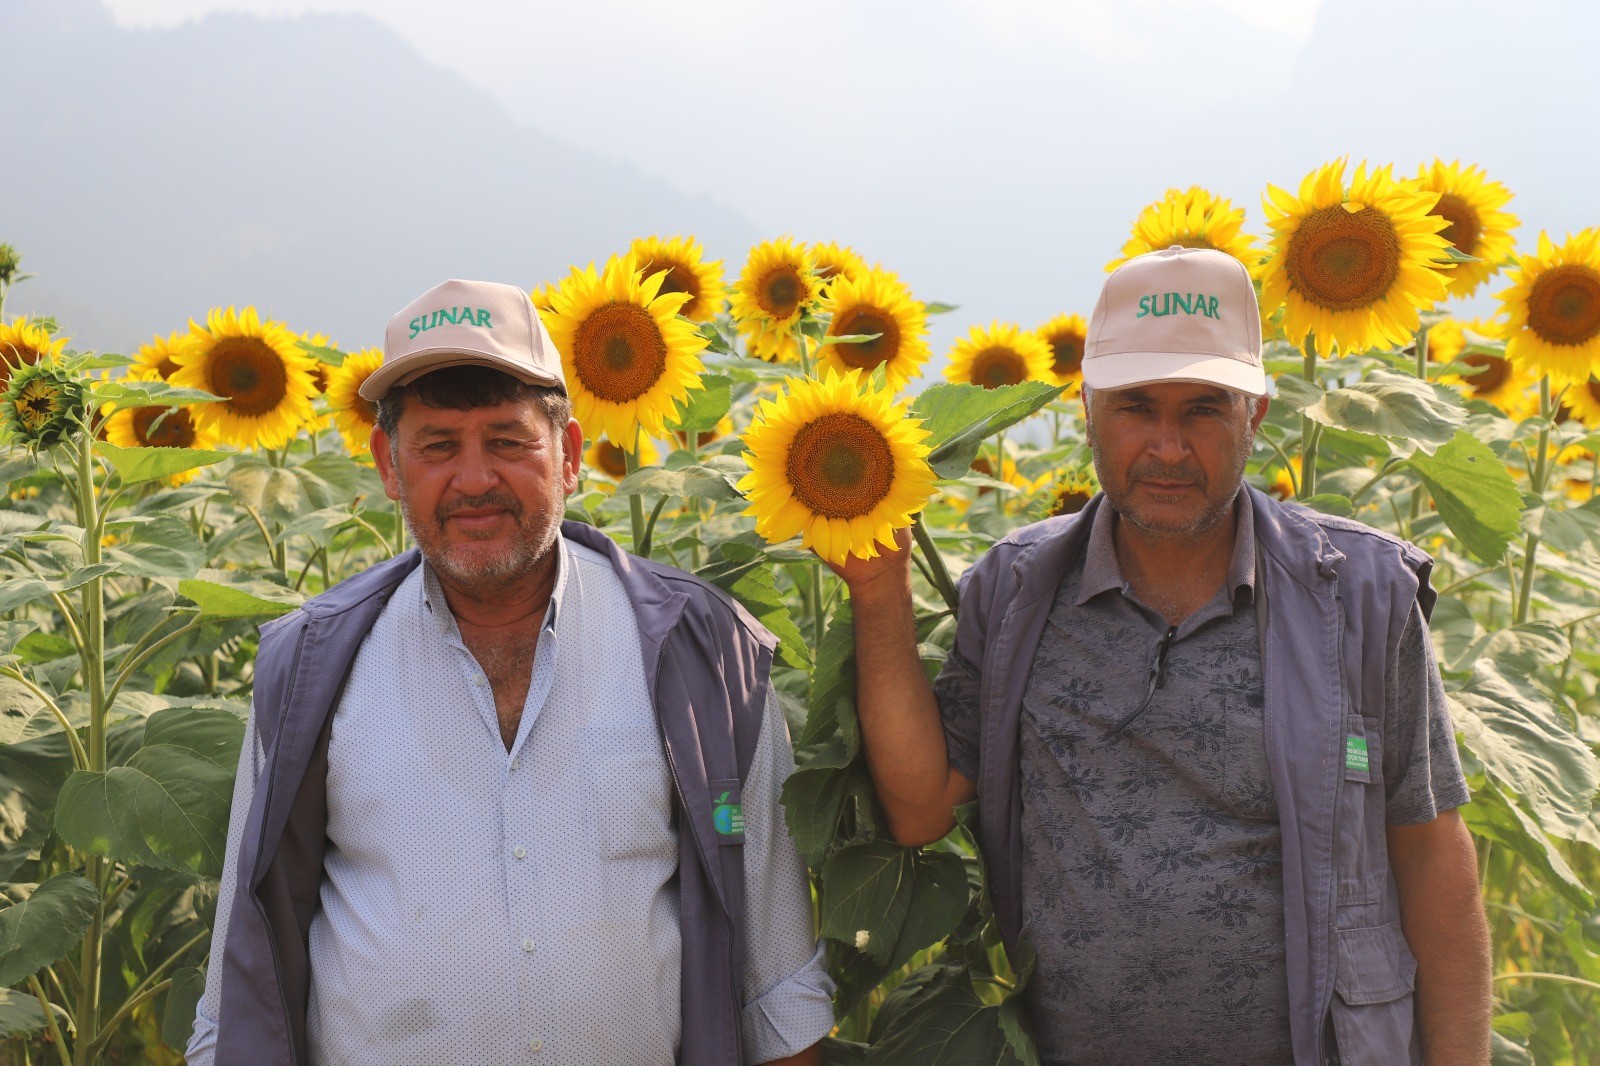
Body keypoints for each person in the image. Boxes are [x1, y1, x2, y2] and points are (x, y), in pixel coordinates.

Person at [831, 247, 1492, 1065]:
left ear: (1255, 414)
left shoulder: (1358, 595)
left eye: (1205, 410)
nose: (1169, 448)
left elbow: (1428, 847)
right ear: (1086, 408)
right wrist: (879, 593)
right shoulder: (1015, 591)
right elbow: (922, 806)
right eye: (1137, 407)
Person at [188, 279, 834, 1066]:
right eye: (436, 446)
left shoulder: (702, 652)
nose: (473, 480)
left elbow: (779, 987)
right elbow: (238, 985)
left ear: (567, 457)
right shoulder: (309, 667)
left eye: (506, 440)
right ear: (389, 466)